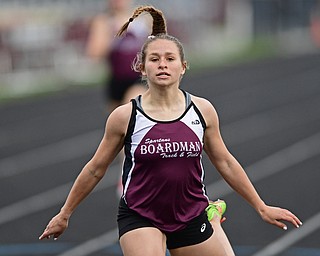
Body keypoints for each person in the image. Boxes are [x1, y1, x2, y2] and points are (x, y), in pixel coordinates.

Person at [39, 6, 302, 256]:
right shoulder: (125, 116)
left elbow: (225, 161)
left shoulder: (202, 110)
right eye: (154, 59)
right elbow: (96, 168)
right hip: (141, 214)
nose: (162, 64)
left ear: (183, 66)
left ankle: (212, 220)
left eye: (170, 58)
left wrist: (261, 206)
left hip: (190, 214)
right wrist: (65, 213)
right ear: (141, 68)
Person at [86, 0, 149, 113]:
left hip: (139, 78)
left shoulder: (144, 19)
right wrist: (111, 35)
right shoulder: (103, 22)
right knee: (118, 126)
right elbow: (94, 54)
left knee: (131, 111)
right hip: (116, 80)